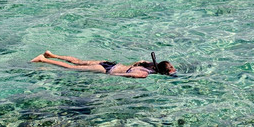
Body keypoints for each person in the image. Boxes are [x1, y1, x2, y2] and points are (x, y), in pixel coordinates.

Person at [31, 50, 176, 78]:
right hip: (109, 69)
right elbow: (124, 74)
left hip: (111, 63)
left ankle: (52, 54)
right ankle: (43, 59)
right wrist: (111, 75)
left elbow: (137, 62)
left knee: (77, 61)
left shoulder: (149, 65)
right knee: (72, 68)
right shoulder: (144, 74)